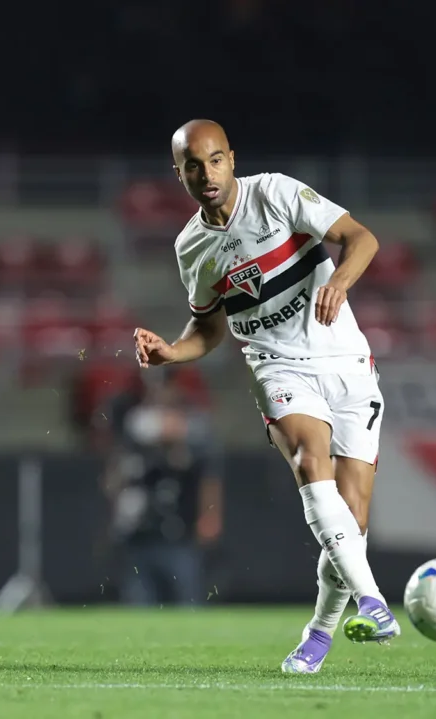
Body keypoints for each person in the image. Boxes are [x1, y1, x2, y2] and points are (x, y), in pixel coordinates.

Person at [133, 119, 396, 674]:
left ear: (232, 158)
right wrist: (171, 353)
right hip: (277, 367)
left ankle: (318, 634)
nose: (207, 174)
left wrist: (338, 283)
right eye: (193, 166)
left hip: (347, 362)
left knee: (351, 520)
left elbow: (362, 238)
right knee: (309, 461)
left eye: (215, 160)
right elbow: (208, 326)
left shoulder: (275, 194)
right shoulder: (191, 247)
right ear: (179, 174)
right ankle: (374, 602)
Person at [100, 373, 222, 606]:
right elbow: (114, 475)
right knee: (139, 601)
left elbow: (208, 476)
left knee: (186, 600)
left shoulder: (194, 428)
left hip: (180, 531)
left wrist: (210, 515)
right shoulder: (133, 424)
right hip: (138, 533)